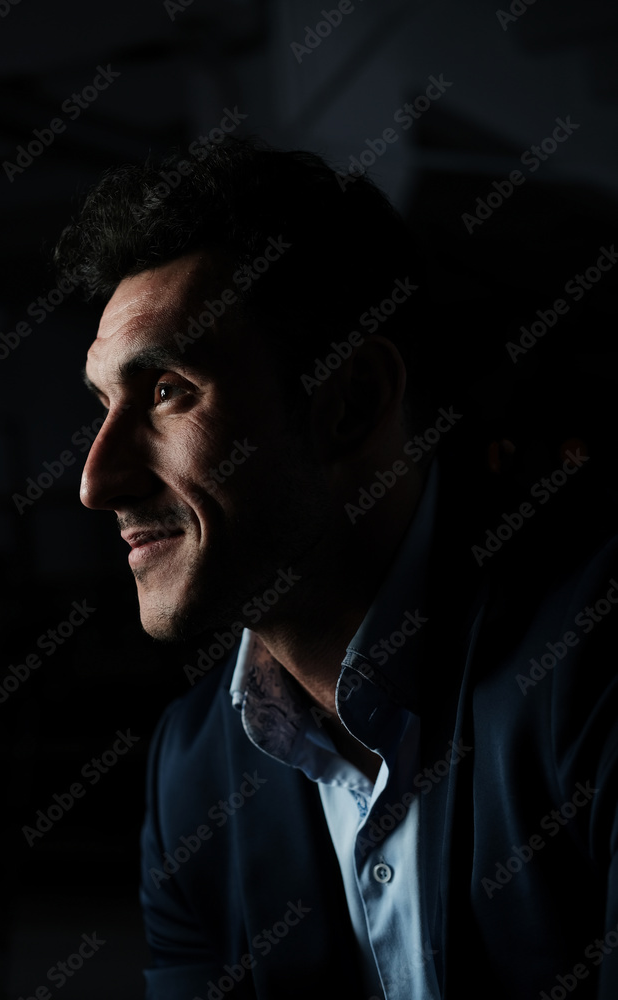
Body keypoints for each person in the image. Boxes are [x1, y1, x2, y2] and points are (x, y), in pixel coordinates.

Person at [55, 136, 618, 1000]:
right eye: (103, 403)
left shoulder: (594, 665)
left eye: (166, 391)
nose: (96, 482)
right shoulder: (190, 770)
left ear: (350, 402)